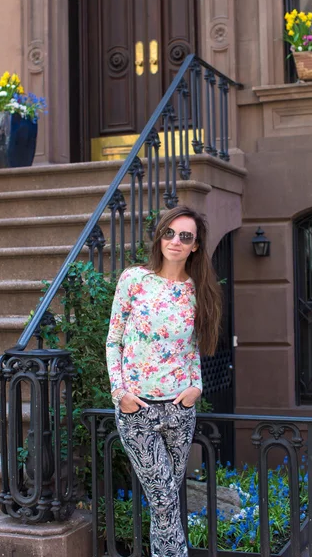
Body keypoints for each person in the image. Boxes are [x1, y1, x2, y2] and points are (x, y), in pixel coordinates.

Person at [106, 205, 222, 557]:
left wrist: (196, 388)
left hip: (179, 410)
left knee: (167, 501)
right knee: (164, 498)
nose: (175, 241)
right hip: (137, 410)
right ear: (160, 236)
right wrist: (120, 394)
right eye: (169, 233)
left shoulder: (196, 291)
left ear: (195, 246)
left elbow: (192, 349)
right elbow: (114, 340)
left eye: (185, 236)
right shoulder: (134, 279)